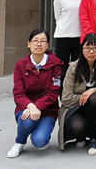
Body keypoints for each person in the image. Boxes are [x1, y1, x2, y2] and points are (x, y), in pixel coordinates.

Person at [8, 29, 63, 158]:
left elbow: (53, 93)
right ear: (29, 44)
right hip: (26, 108)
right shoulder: (20, 65)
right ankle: (19, 142)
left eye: (43, 41)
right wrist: (30, 106)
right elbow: (18, 93)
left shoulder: (55, 65)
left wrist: (37, 107)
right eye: (35, 41)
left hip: (48, 110)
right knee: (27, 121)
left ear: (47, 45)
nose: (39, 44)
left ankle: (42, 132)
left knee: (39, 142)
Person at [57, 33, 96, 155]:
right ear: (82, 49)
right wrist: (85, 97)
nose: (91, 51)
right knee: (77, 125)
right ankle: (80, 136)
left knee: (95, 98)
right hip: (74, 108)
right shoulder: (73, 67)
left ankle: (94, 139)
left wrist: (95, 90)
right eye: (88, 48)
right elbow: (66, 98)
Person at [53, 0, 84, 98]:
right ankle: (62, 95)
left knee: (78, 68)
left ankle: (75, 94)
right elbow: (58, 17)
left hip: (79, 37)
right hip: (63, 37)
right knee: (62, 68)